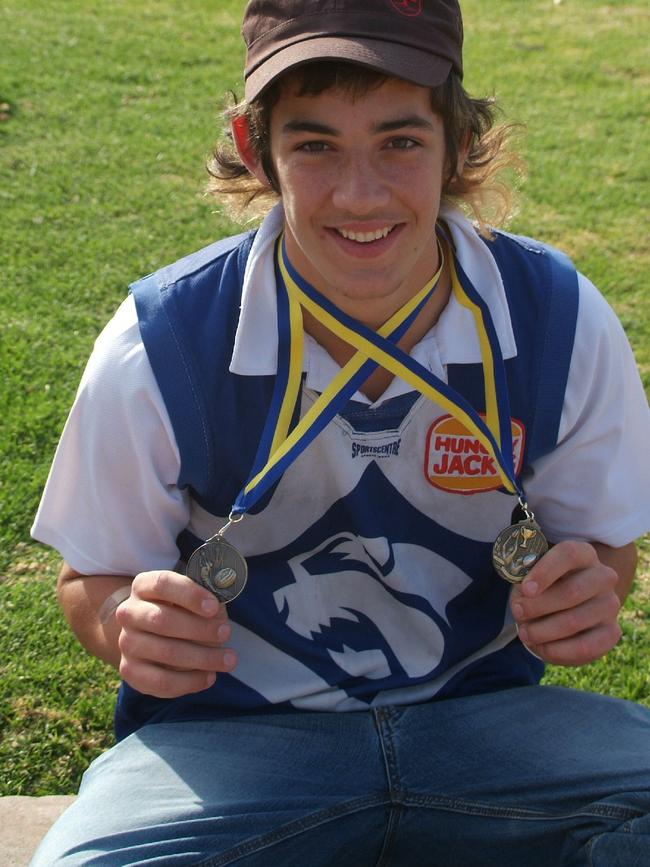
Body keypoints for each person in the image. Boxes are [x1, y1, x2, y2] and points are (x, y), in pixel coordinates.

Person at [30, 1, 650, 865]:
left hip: (490, 727)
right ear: (257, 150)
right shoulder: (161, 339)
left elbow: (601, 548)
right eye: (315, 145)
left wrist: (593, 588)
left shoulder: (554, 315)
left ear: (457, 143)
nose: (361, 195)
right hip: (235, 742)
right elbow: (91, 573)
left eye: (400, 140)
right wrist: (124, 623)